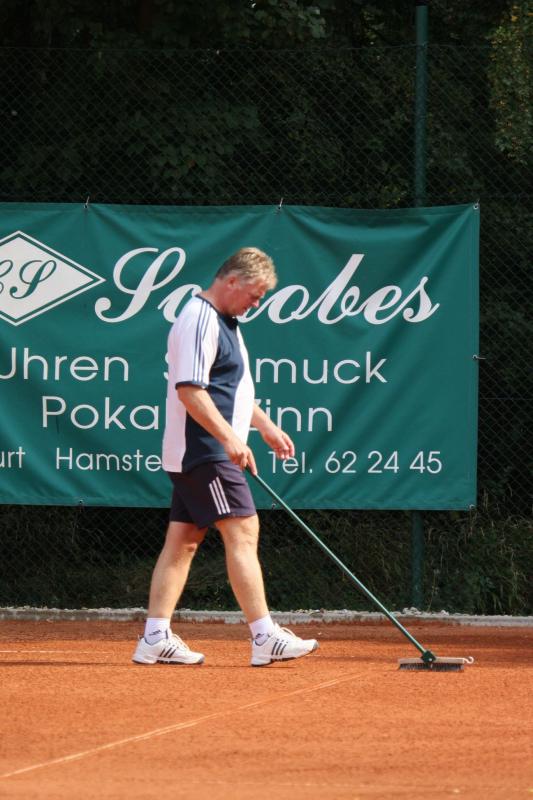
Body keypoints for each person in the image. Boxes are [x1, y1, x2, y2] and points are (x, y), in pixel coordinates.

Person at [132, 247, 318, 667]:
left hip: (202, 449)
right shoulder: (198, 320)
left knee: (183, 542)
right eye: (254, 295)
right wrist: (231, 439)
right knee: (244, 531)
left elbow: (230, 391)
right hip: (204, 450)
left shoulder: (227, 323)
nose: (256, 303)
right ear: (231, 281)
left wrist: (265, 426)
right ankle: (264, 636)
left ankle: (154, 638)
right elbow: (190, 391)